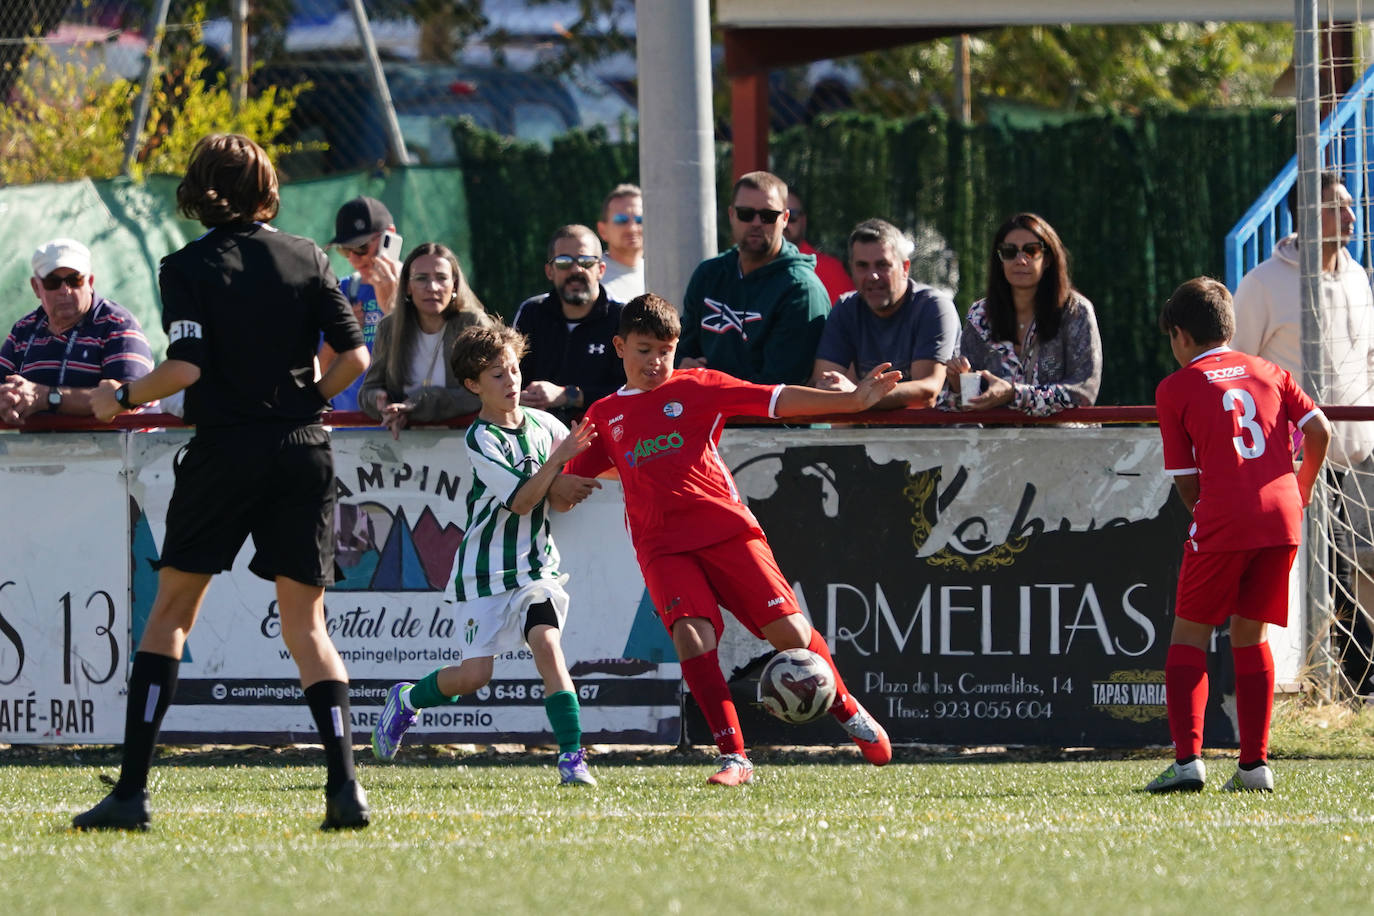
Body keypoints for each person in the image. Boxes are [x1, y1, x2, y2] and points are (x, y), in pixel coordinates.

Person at [75, 133, 371, 830]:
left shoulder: (187, 265)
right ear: (267, 186)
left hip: (228, 450)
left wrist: (119, 395)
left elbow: (187, 369)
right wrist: (309, 403)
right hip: (302, 450)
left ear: (198, 188)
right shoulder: (308, 255)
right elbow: (354, 356)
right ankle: (346, 789)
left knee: (172, 613)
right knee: (308, 627)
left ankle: (131, 794)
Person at [566, 293, 900, 785]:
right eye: (643, 350)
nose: (656, 361)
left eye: (665, 349)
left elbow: (775, 398)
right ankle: (734, 757)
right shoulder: (606, 413)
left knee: (786, 633)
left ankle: (847, 709)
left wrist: (849, 401)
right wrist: (555, 483)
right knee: (691, 636)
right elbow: (575, 475)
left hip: (725, 530)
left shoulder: (699, 386)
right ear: (619, 346)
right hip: (661, 545)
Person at [371, 322, 603, 785]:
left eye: (515, 369)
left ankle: (572, 757)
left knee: (547, 643)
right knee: (474, 676)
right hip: (485, 572)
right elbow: (520, 501)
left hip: (536, 567)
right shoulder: (481, 438)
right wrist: (559, 466)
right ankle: (408, 700)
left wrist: (569, 486)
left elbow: (554, 502)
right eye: (497, 375)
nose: (511, 381)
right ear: (473, 385)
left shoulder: (546, 424)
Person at [1148, 277, 1330, 794]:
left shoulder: (1175, 387)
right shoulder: (1270, 370)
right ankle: (1254, 766)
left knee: (1190, 635)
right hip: (1281, 518)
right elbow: (1319, 431)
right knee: (1251, 637)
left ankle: (1187, 763)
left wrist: (1212, 512)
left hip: (1225, 519)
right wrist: (1302, 487)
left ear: (1180, 334)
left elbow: (1187, 482)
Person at [1232, 170, 1374, 696]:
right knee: (1321, 575)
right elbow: (1241, 367)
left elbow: (1369, 358)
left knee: (1362, 566)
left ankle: (1357, 683)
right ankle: (1331, 686)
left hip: (1360, 454)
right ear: (1309, 216)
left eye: (1351, 205)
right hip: (1297, 461)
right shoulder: (1263, 283)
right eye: (1339, 207)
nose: (1353, 215)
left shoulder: (1358, 277)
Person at [679, 171, 830, 384]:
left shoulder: (801, 290)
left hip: (774, 415)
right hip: (712, 411)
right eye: (746, 213)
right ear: (731, 214)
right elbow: (681, 348)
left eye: (768, 215)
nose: (757, 223)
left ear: (785, 219)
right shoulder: (708, 275)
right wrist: (683, 364)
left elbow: (780, 386)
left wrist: (710, 386)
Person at [944, 212, 1102, 416]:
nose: (1020, 260)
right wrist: (959, 385)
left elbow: (1083, 391)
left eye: (1031, 250)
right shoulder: (980, 315)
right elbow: (965, 404)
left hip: (1064, 442)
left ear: (1047, 259)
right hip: (998, 443)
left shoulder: (1075, 311)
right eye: (1009, 252)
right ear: (999, 260)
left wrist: (1013, 394)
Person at [0, 238, 153, 423]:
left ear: (90, 282)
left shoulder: (118, 325)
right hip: (40, 447)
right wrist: (7, 399)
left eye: (75, 280)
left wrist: (46, 397)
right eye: (52, 282)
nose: (65, 290)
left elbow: (127, 400)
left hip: (118, 448)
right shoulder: (23, 329)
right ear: (36, 287)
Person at [810, 218, 958, 408]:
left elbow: (927, 392)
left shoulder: (933, 307)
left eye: (882, 265)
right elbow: (822, 383)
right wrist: (850, 395)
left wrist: (857, 396)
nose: (872, 276)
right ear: (851, 269)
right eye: (862, 266)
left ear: (904, 268)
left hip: (933, 433)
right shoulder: (846, 308)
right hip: (872, 433)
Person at [358, 242, 492, 439]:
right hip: (405, 448)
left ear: (454, 284)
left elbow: (486, 391)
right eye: (421, 279)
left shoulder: (473, 323)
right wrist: (381, 403)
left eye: (441, 278)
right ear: (408, 287)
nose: (432, 287)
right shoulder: (389, 327)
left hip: (468, 444)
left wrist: (416, 406)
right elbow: (368, 391)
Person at [513, 224, 627, 425]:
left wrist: (568, 395)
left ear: (601, 269)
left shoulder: (622, 317)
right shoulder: (532, 312)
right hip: (538, 436)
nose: (576, 270)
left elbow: (630, 390)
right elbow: (510, 376)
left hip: (604, 437)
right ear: (550, 271)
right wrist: (519, 397)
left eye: (585, 261)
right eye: (564, 262)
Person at [320, 196, 401, 411]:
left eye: (361, 247)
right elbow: (317, 370)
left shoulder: (421, 289)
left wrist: (394, 309)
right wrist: (342, 337)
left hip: (402, 425)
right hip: (347, 428)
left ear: (389, 237)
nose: (354, 258)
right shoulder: (342, 291)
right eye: (345, 250)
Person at [784, 189, 852, 305]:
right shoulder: (748, 268)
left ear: (804, 221)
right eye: (773, 216)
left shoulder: (830, 270)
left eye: (791, 216)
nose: (783, 223)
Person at [596, 183, 644, 302]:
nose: (632, 228)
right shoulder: (592, 277)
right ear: (603, 230)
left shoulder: (664, 275)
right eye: (621, 220)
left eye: (640, 220)